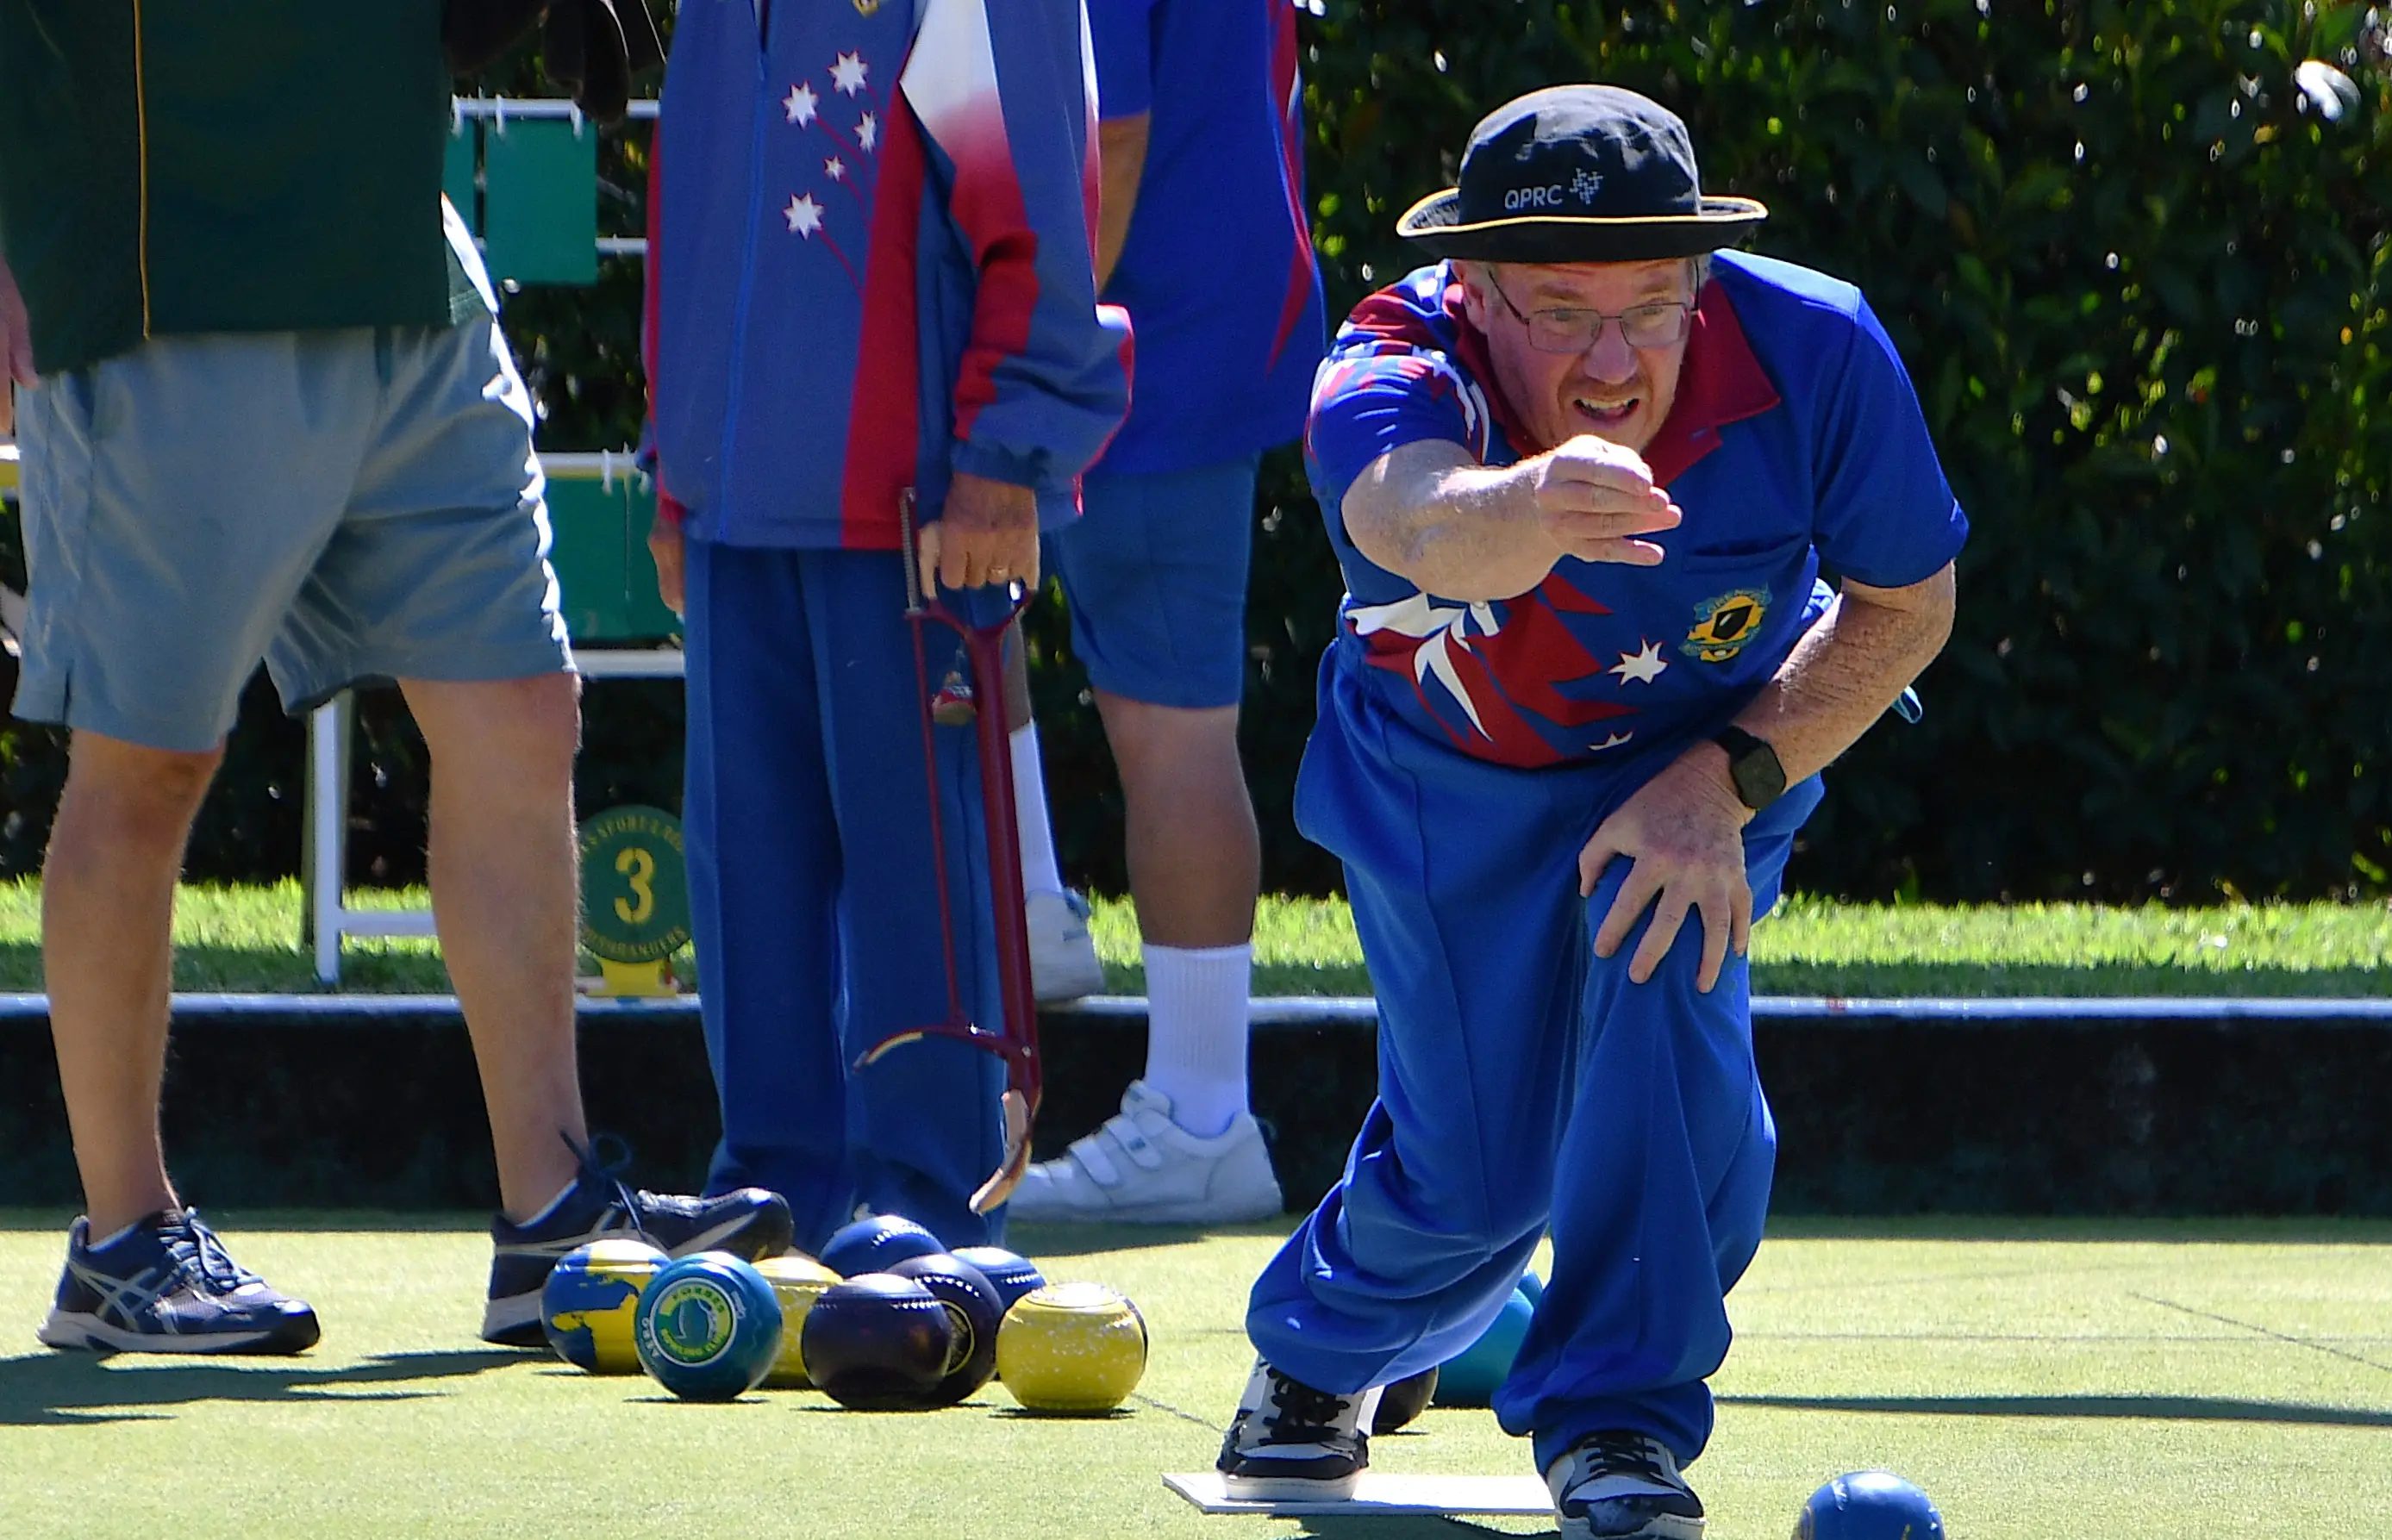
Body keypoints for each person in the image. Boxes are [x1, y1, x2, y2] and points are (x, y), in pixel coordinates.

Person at [1211, 86, 1966, 1540]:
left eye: (1651, 307)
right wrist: (1536, 506)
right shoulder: (1388, 358)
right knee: (1476, 1174)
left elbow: (1907, 605)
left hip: (1703, 759)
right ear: (1476, 292)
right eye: (1561, 309)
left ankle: (1616, 1422)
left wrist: (1733, 775)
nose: (1614, 360)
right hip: (1447, 777)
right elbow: (1411, 519)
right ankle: (1323, 1349)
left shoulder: (1818, 343)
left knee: (1671, 1072)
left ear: (1700, 284)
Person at [0, 0, 788, 1356]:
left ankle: (555, 1223)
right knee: (149, 758)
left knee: (520, 706)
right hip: (162, 273)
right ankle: (123, 1243)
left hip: (401, 255)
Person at [644, 0, 1129, 1255]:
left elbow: (1035, 198)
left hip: (914, 508)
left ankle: (929, 1199)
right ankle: (767, 1191)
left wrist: (1007, 455)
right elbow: (690, 205)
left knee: (924, 878)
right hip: (733, 505)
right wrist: (675, 466)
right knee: (741, 871)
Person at [1004, 0, 1326, 1225]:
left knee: (1171, 730)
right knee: (972, 609)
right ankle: (1026, 917)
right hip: (1195, 327)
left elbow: (1113, 131)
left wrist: (1033, 361)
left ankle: (1200, 1114)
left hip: (1143, 347)